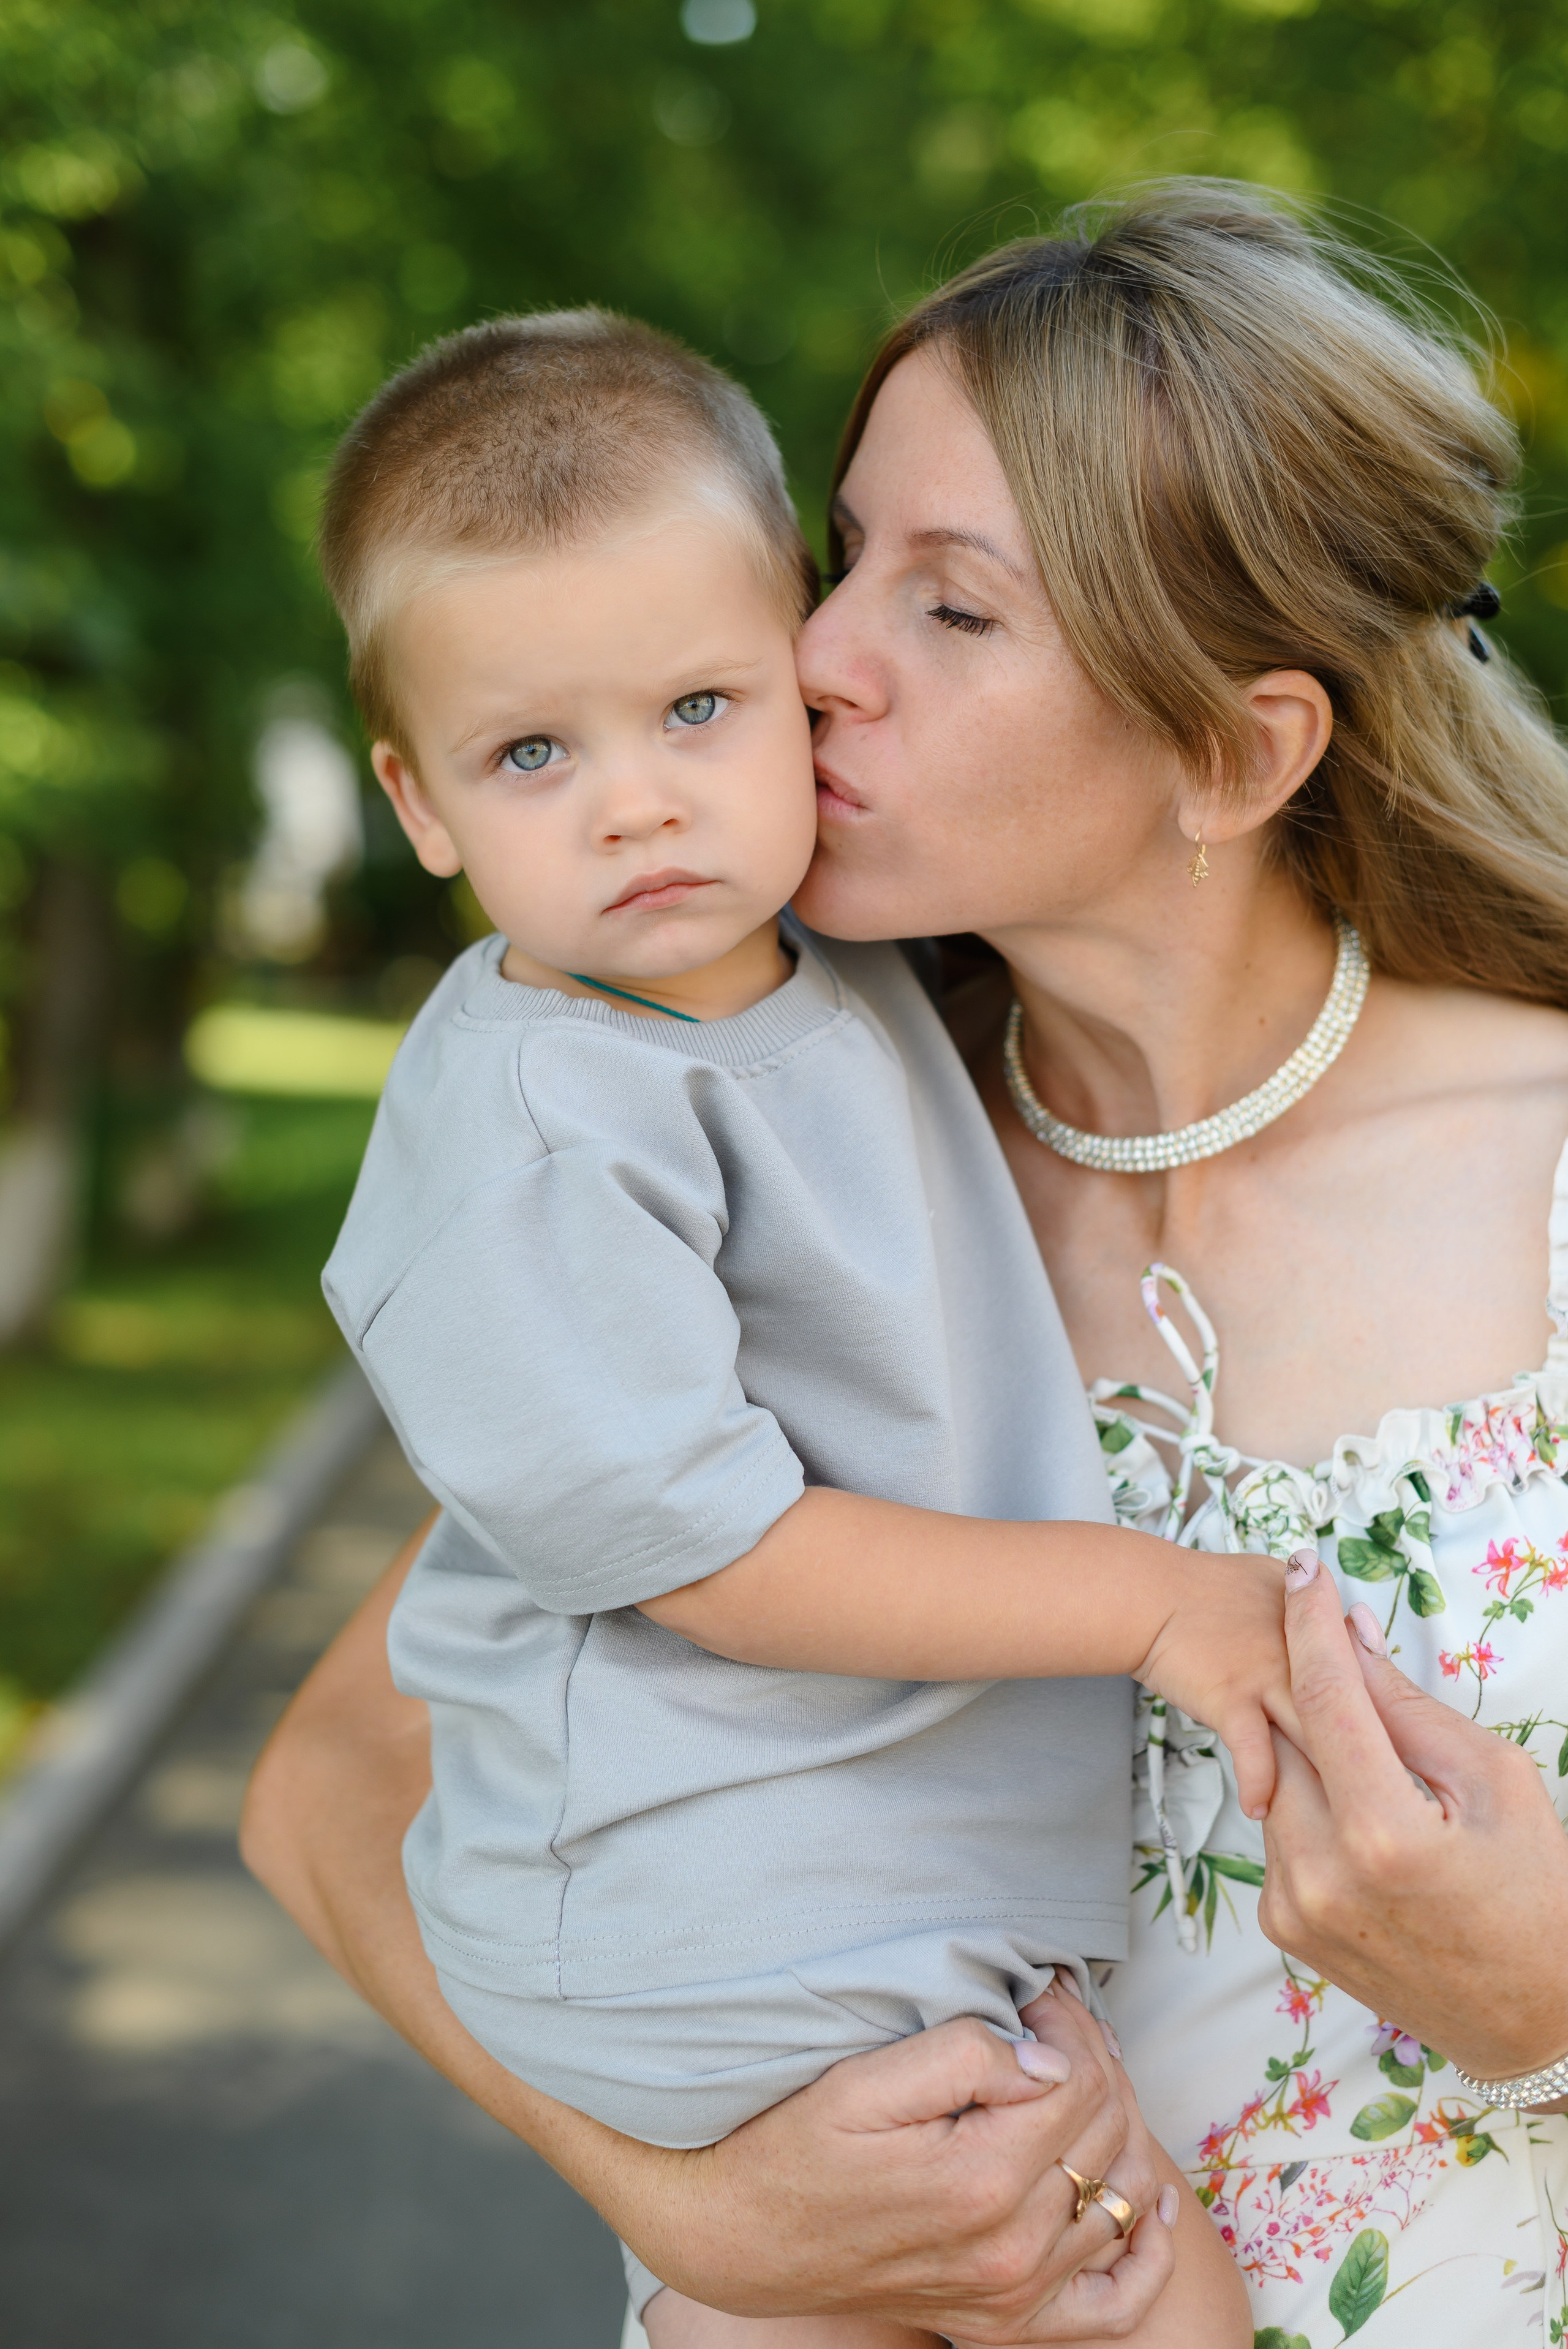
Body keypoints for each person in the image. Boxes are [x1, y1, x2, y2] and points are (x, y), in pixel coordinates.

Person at [244, 183, 1568, 2345]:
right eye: (838, 557)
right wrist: (703, 2203)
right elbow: (332, 1786)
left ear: (1233, 750)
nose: (818, 658)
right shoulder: (806, 1165)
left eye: (950, 607)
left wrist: (1547, 1995)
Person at [311, 305, 1267, 2345]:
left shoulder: (825, 963)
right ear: (419, 800)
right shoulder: (539, 1124)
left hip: (851, 1882)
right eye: (533, 753)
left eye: (697, 707)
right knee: (1140, 2304)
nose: (636, 806)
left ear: (790, 678)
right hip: (728, 1918)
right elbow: (723, 1558)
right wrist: (1155, 1602)